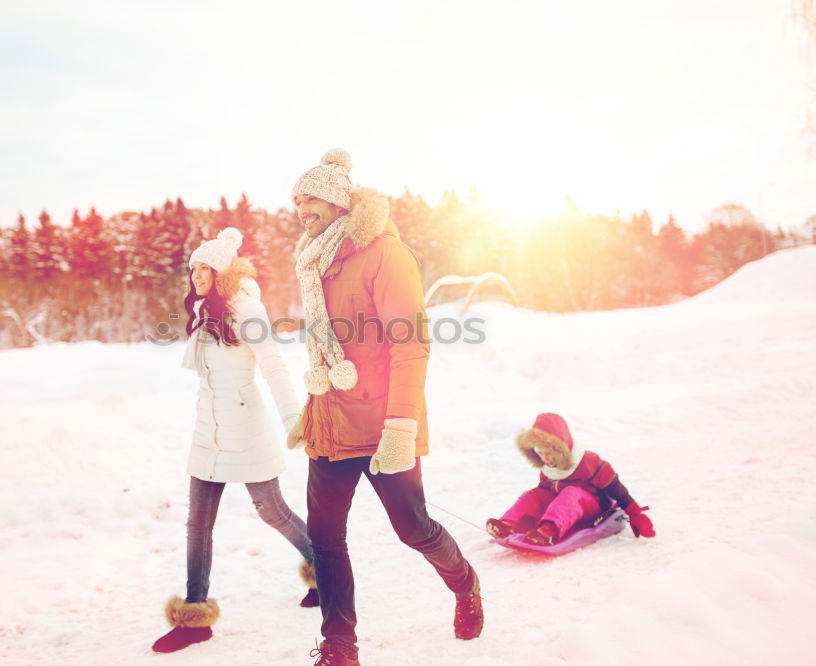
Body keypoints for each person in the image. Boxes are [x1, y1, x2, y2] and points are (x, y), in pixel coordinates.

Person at [285, 149, 483, 666]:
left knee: (412, 528)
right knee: (325, 539)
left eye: (312, 197)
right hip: (330, 422)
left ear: (338, 201)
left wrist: (401, 427)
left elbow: (410, 344)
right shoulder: (313, 260)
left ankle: (465, 584)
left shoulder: (385, 255)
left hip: (380, 424)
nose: (302, 206)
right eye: (297, 198)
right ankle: (339, 647)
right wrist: (309, 411)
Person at [152, 228, 317, 654]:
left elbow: (274, 365)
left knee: (272, 511)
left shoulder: (246, 308)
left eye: (201, 267)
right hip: (208, 429)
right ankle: (194, 618)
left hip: (246, 427)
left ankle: (326, 572)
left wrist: (292, 419)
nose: (194, 276)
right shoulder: (205, 312)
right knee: (197, 525)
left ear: (218, 268)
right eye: (191, 268)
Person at [486, 412, 656, 545]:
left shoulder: (588, 462)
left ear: (561, 449)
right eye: (541, 453)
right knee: (533, 495)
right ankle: (509, 524)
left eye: (549, 453)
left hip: (592, 507)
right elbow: (543, 493)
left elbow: (617, 490)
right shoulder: (547, 466)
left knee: (571, 493)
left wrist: (635, 514)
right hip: (561, 507)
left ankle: (548, 531)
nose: (545, 459)